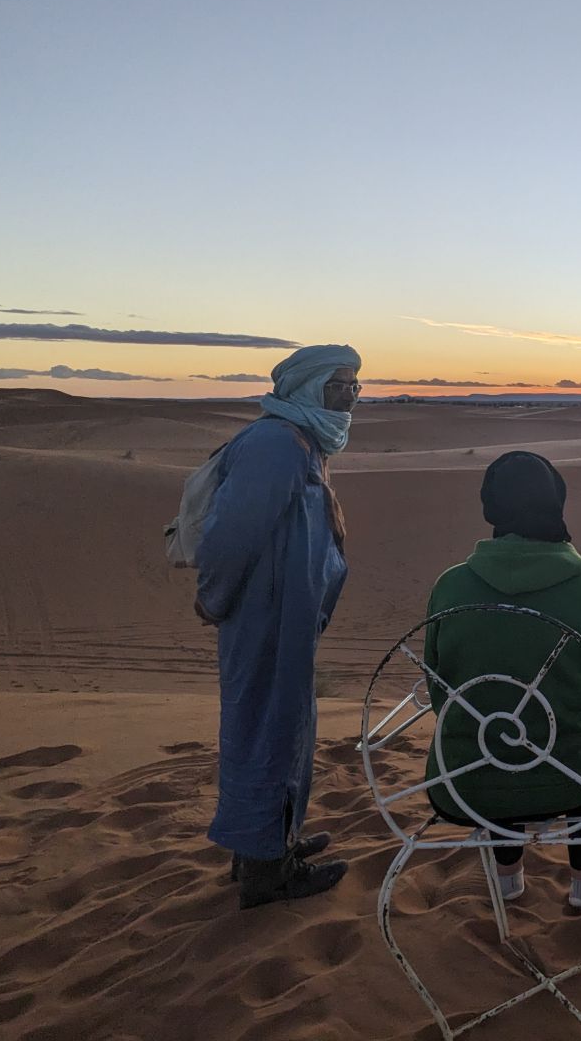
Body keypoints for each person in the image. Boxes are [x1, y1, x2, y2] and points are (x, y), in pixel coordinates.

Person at [423, 451, 581, 909]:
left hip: (467, 781)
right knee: (578, 737)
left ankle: (506, 876)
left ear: (491, 506)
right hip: (573, 777)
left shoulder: (450, 586)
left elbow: (440, 689)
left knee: (497, 731)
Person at [195, 343, 361, 909]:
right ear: (306, 387)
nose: (349, 397)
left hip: (287, 619)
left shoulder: (303, 441)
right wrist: (214, 598)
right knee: (267, 730)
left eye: (354, 386)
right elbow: (231, 536)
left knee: (285, 728)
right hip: (265, 620)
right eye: (338, 385)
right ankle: (267, 872)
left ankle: (269, 844)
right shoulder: (277, 445)